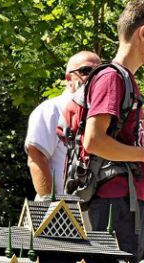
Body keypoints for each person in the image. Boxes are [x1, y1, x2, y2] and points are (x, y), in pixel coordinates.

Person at [82, 0, 144, 263]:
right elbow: (93, 140)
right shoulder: (111, 78)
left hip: (130, 204)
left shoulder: (126, 80)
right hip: (115, 205)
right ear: (143, 33)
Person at [25, 51, 101, 198]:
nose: (93, 76)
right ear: (68, 78)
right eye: (86, 71)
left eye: (99, 72)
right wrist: (52, 203)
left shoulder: (98, 115)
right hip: (60, 207)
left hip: (91, 206)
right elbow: (37, 158)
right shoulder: (51, 109)